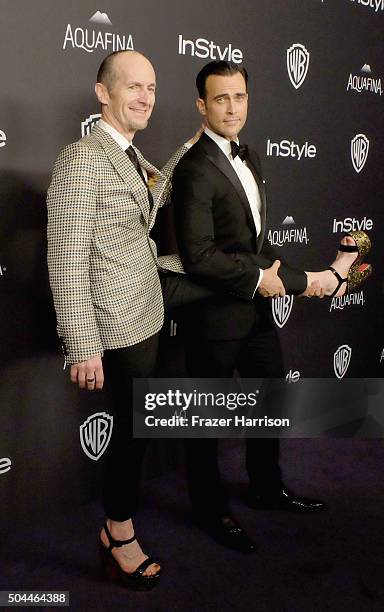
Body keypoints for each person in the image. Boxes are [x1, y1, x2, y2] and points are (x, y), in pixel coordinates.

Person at [172, 60, 371, 553]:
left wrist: (282, 276)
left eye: (239, 97)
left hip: (255, 313)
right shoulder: (194, 168)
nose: (232, 107)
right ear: (202, 105)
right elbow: (199, 258)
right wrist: (268, 279)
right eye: (220, 98)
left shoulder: (251, 155)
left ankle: (266, 487)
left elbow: (251, 243)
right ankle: (210, 510)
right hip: (213, 316)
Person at [47, 50, 215, 591]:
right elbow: (67, 256)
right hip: (115, 323)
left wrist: (192, 144)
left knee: (141, 426)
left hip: (147, 305)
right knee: (132, 434)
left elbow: (140, 204)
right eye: (133, 87)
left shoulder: (126, 154)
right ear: (102, 92)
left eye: (152, 87)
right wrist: (82, 344)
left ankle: (118, 526)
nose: (145, 97)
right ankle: (118, 535)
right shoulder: (82, 158)